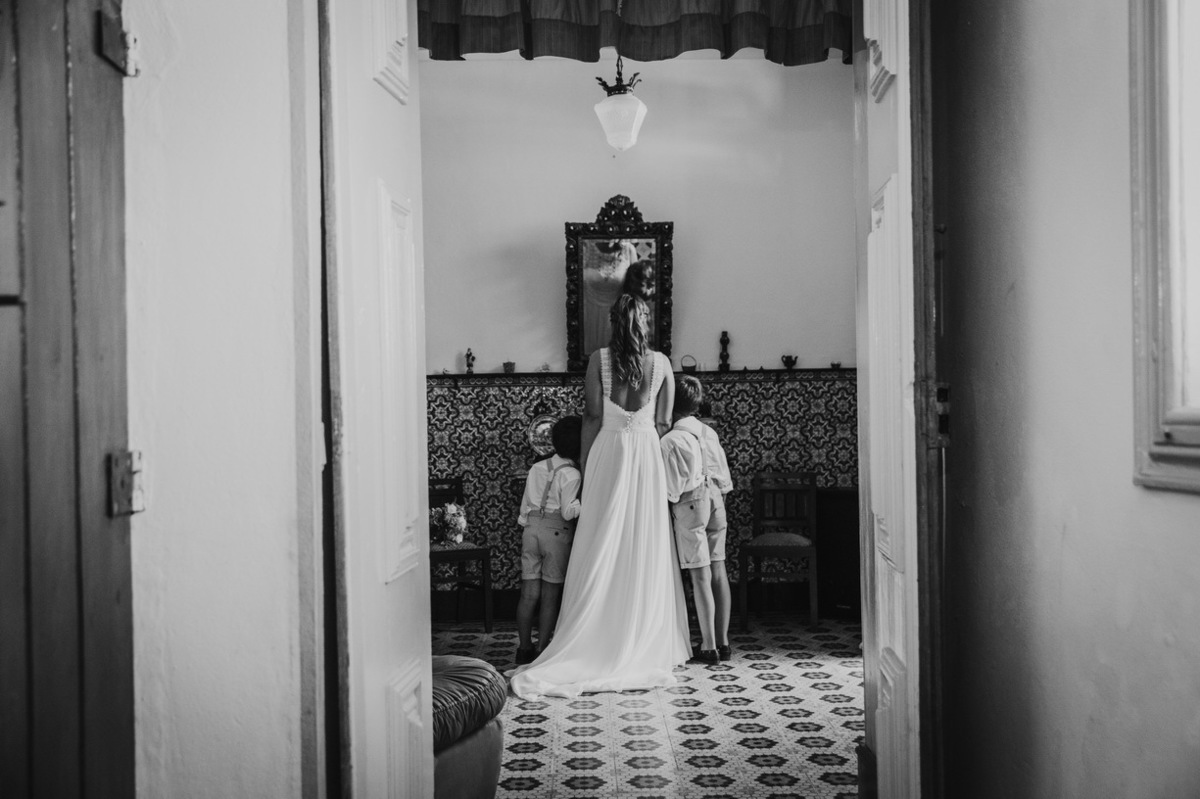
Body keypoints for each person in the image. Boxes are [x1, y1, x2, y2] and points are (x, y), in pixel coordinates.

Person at [508, 294, 690, 698]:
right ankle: (638, 632)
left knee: (600, 537)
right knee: (642, 541)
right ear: (645, 322)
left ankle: (592, 630)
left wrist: (587, 467)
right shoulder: (662, 363)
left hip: (608, 452)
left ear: (613, 322)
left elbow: (591, 416)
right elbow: (663, 422)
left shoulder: (599, 360)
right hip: (645, 455)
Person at [660, 375, 734, 664]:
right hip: (717, 498)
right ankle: (724, 643)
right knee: (719, 569)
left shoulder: (670, 440)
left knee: (699, 574)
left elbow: (671, 488)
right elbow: (724, 475)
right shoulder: (708, 432)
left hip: (692, 502)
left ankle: (708, 646)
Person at [513, 416, 583, 665]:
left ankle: (523, 649)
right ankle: (542, 650)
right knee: (550, 595)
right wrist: (584, 504)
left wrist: (531, 524)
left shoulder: (536, 468)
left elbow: (524, 509)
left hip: (530, 529)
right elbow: (568, 512)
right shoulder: (572, 474)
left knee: (528, 594)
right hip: (556, 533)